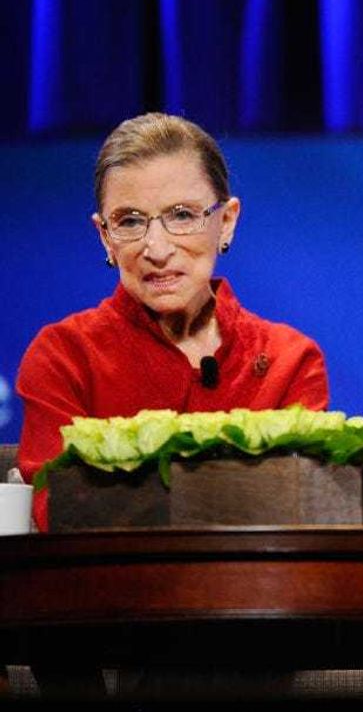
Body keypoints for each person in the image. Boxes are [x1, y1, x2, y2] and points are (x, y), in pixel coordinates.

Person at [17, 112, 329, 532]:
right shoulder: (64, 357)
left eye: (181, 215)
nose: (156, 248)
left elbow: (298, 511)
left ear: (227, 221)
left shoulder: (289, 361)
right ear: (105, 236)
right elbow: (62, 512)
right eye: (129, 221)